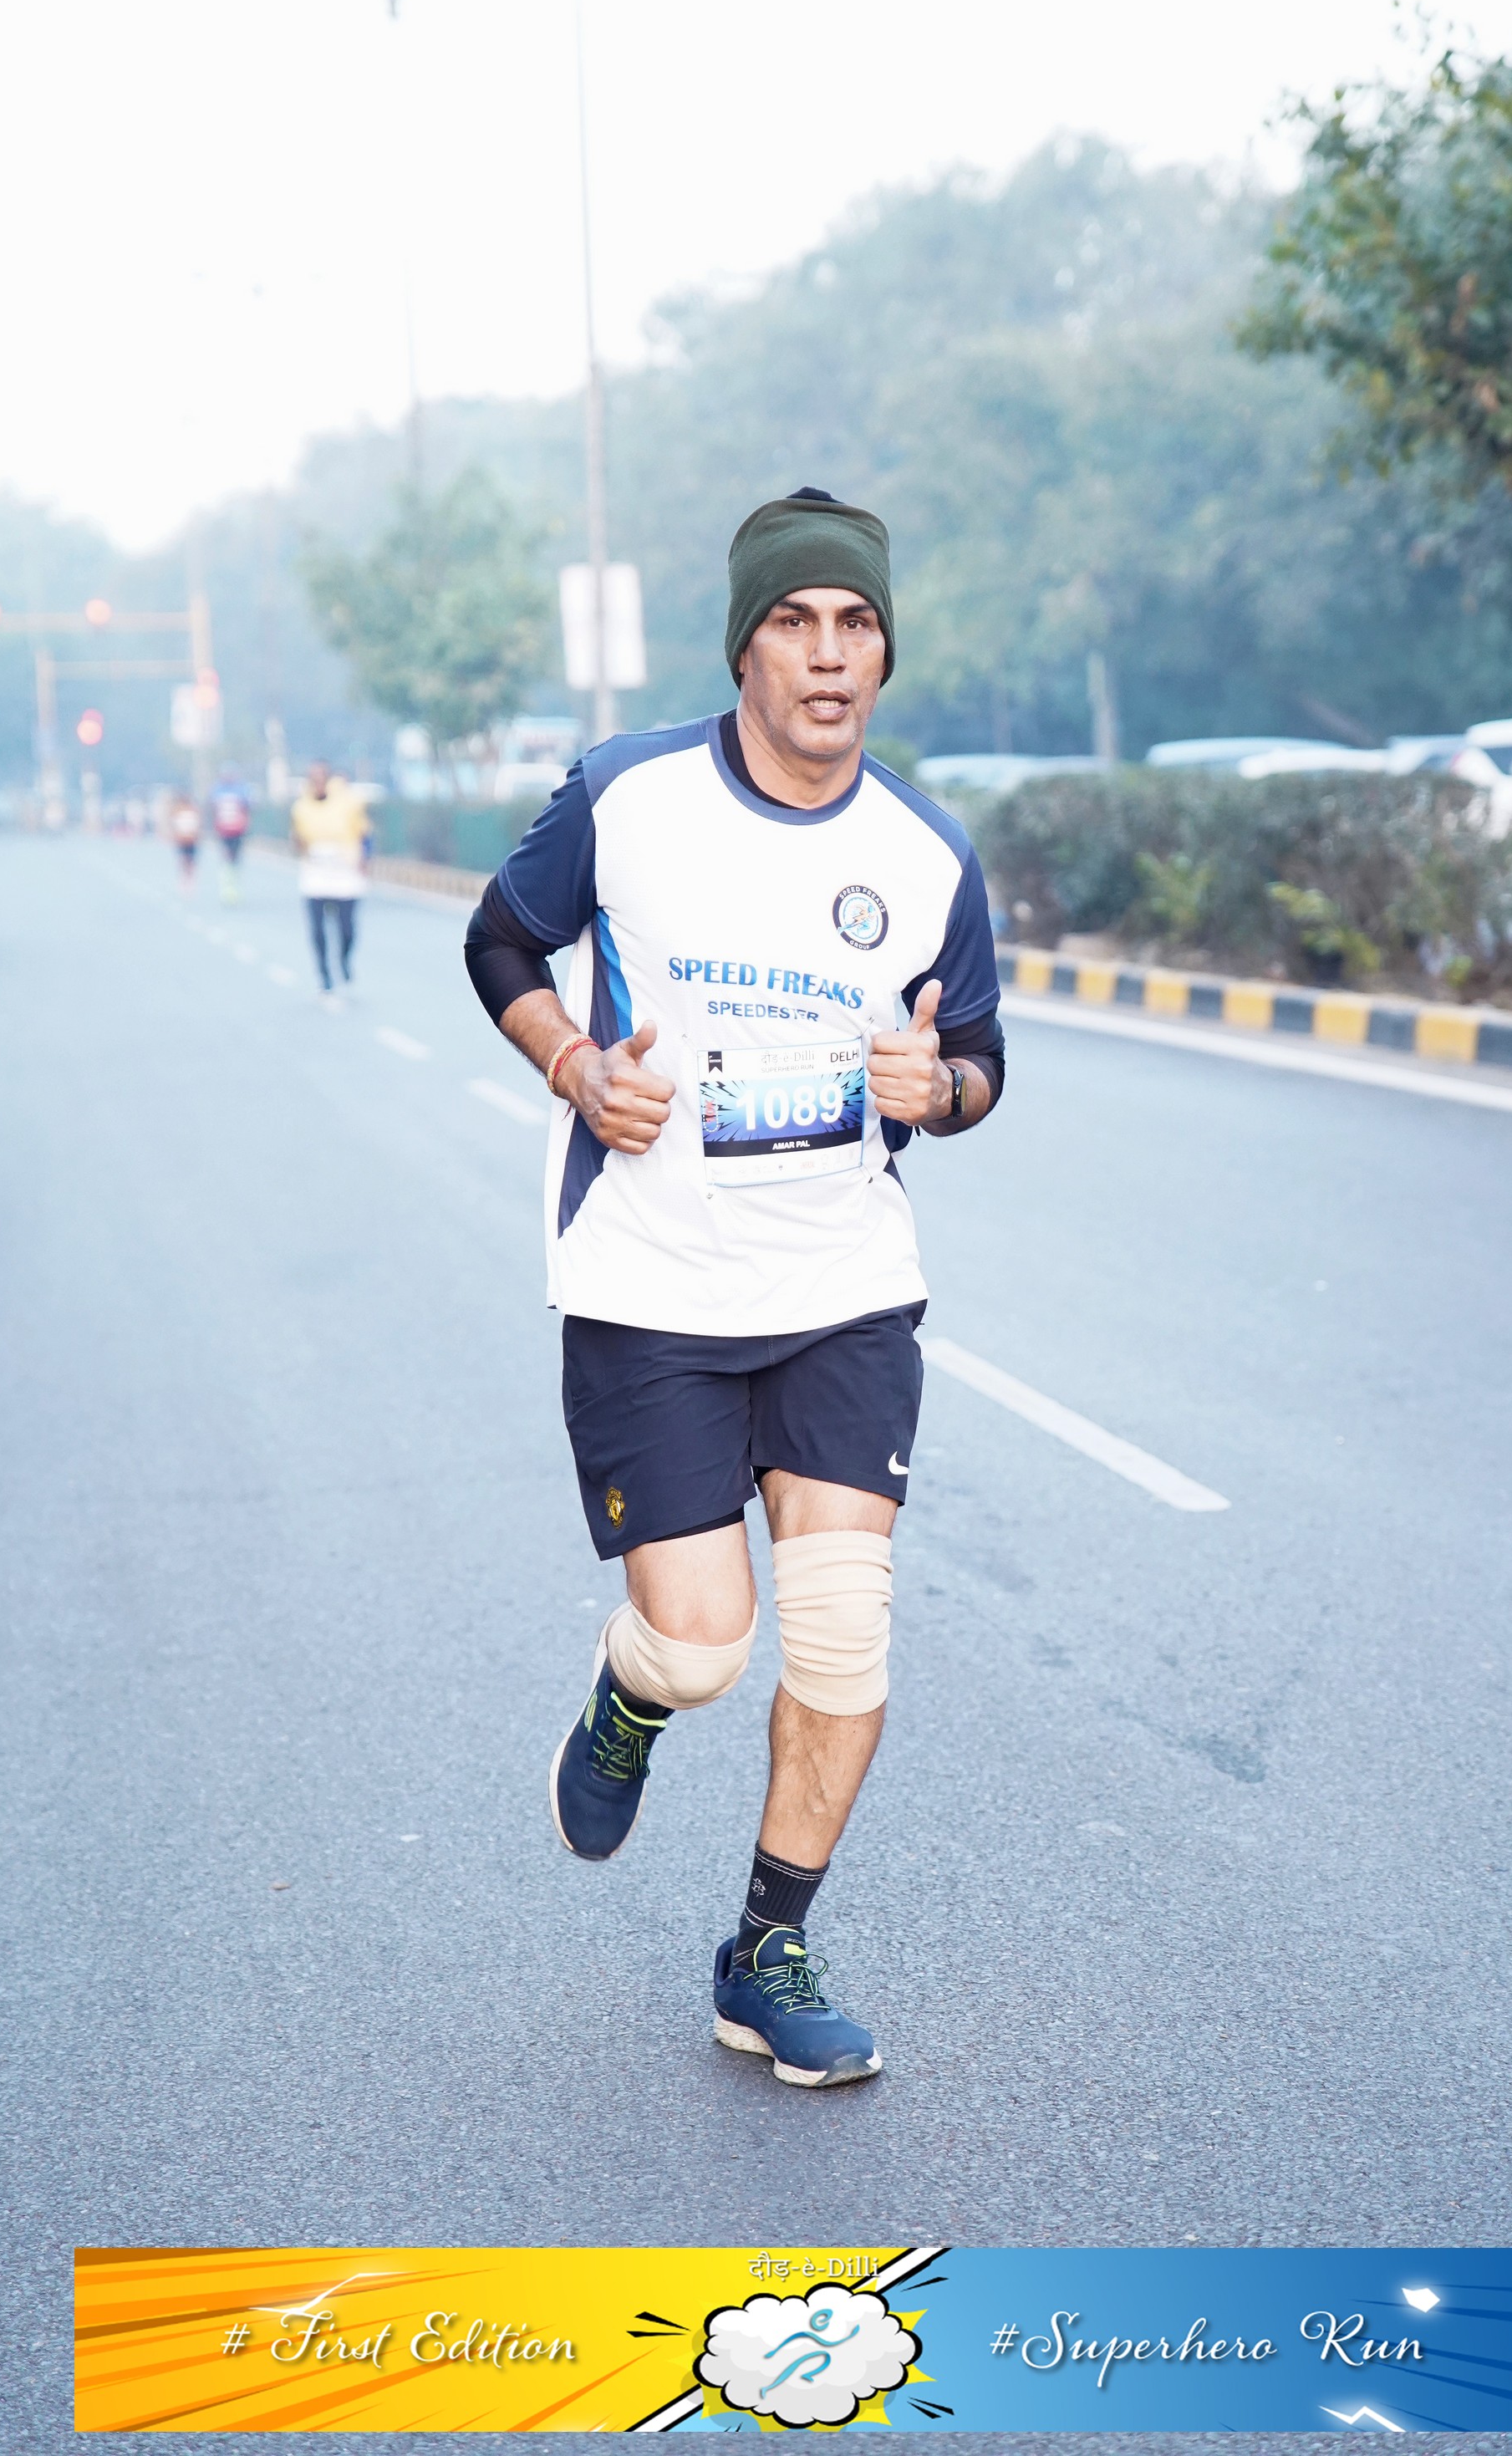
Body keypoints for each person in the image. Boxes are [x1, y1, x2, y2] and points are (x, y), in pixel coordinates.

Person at [465, 489, 1004, 2087]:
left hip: (845, 1287)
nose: (829, 654)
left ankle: (767, 1951)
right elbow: (502, 944)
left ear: (884, 655)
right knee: (704, 1646)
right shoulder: (625, 795)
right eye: (795, 621)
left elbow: (981, 1061)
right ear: (746, 649)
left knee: (843, 1638)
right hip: (652, 1291)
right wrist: (574, 1064)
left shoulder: (927, 855)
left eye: (858, 624)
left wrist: (937, 1089)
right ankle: (632, 1698)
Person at [289, 761, 369, 1001]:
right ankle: (324, 975)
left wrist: (365, 859)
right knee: (317, 929)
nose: (317, 782)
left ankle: (344, 959)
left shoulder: (348, 802)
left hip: (345, 871)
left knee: (346, 929)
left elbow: (364, 833)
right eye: (313, 777)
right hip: (315, 872)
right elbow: (297, 839)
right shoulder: (301, 807)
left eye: (321, 776)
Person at [209, 765, 252, 904]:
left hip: (238, 830)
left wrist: (246, 823)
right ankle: (227, 887)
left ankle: (235, 886)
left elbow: (248, 807)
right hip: (223, 831)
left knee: (236, 859)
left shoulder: (241, 789)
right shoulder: (218, 790)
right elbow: (213, 809)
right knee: (226, 857)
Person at [168, 790, 201, 889]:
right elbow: (174, 825)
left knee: (191, 861)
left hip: (191, 840)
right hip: (182, 840)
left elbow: (197, 825)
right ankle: (183, 879)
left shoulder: (193, 810)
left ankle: (190, 880)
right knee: (183, 860)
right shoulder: (178, 810)